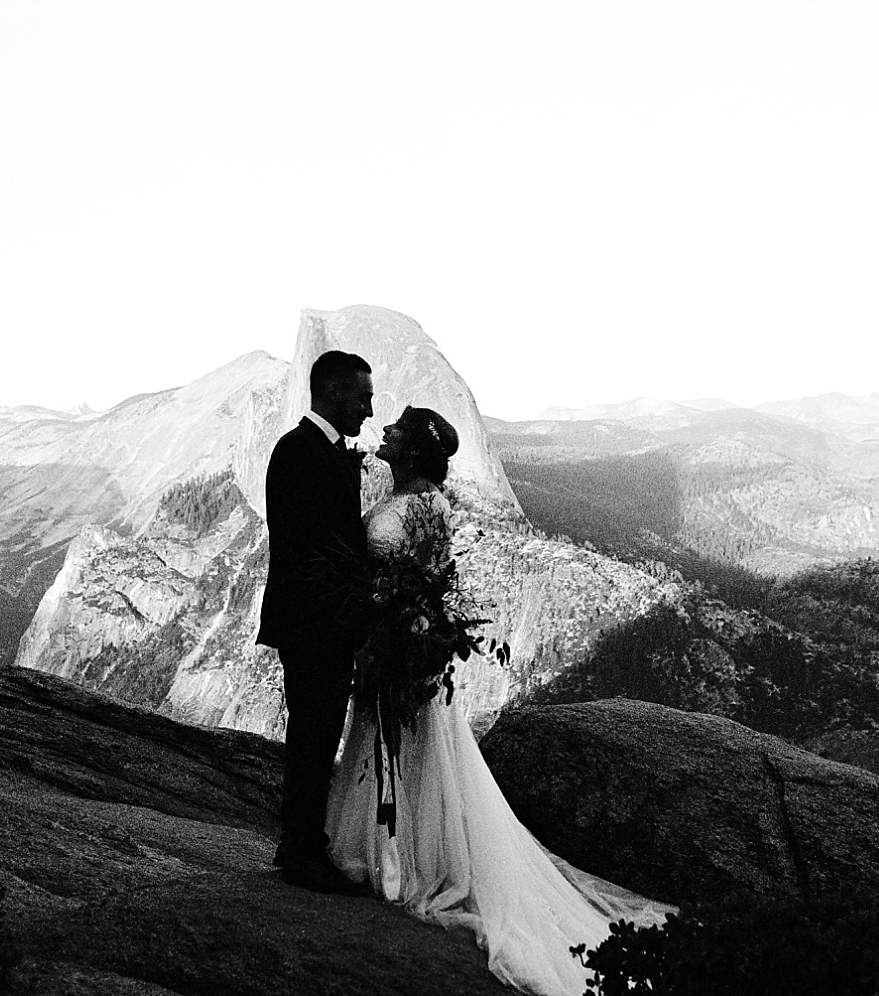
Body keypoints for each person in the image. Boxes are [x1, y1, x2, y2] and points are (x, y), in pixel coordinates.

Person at [325, 405, 676, 996]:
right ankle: (401, 854)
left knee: (404, 749)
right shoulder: (427, 504)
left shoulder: (419, 507)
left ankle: (403, 862)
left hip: (401, 646)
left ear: (411, 450)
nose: (383, 431)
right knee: (406, 752)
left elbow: (414, 580)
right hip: (397, 642)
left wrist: (401, 628)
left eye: (396, 430)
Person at [257, 349, 376, 896]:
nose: (369, 411)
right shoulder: (296, 452)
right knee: (311, 734)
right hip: (312, 627)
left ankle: (300, 844)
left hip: (325, 625)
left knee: (318, 733)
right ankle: (302, 851)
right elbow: (302, 551)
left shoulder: (321, 452)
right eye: (363, 397)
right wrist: (346, 614)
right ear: (333, 393)